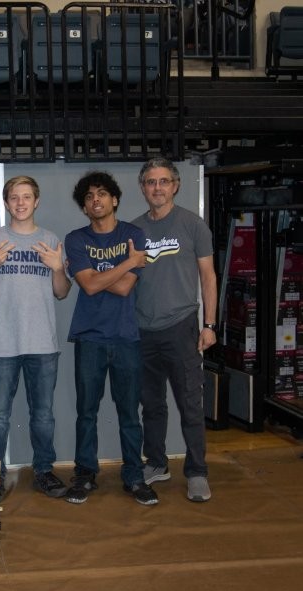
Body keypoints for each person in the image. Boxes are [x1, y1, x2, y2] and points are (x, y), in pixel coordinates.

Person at [0, 176, 71, 504]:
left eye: (27, 197)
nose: (21, 203)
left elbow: (62, 292)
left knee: (43, 415)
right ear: (6, 202)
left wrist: (58, 268)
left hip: (43, 345)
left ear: (36, 201)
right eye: (14, 197)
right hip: (1, 345)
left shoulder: (50, 240)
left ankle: (44, 471)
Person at [64, 171, 158, 506]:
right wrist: (128, 262)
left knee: (129, 412)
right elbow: (89, 286)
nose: (96, 200)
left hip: (125, 337)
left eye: (102, 193)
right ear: (84, 206)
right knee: (86, 412)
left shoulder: (134, 234)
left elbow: (124, 287)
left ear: (114, 199)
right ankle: (85, 474)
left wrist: (104, 273)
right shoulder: (76, 239)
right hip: (89, 337)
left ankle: (134, 476)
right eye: (89, 197)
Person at [133, 157, 217, 502]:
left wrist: (209, 324)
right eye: (151, 182)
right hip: (142, 330)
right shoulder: (134, 230)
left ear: (176, 185)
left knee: (190, 404)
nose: (157, 188)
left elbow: (208, 277)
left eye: (164, 181)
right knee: (151, 405)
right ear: (143, 188)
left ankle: (197, 472)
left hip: (182, 327)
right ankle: (156, 463)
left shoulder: (193, 225)